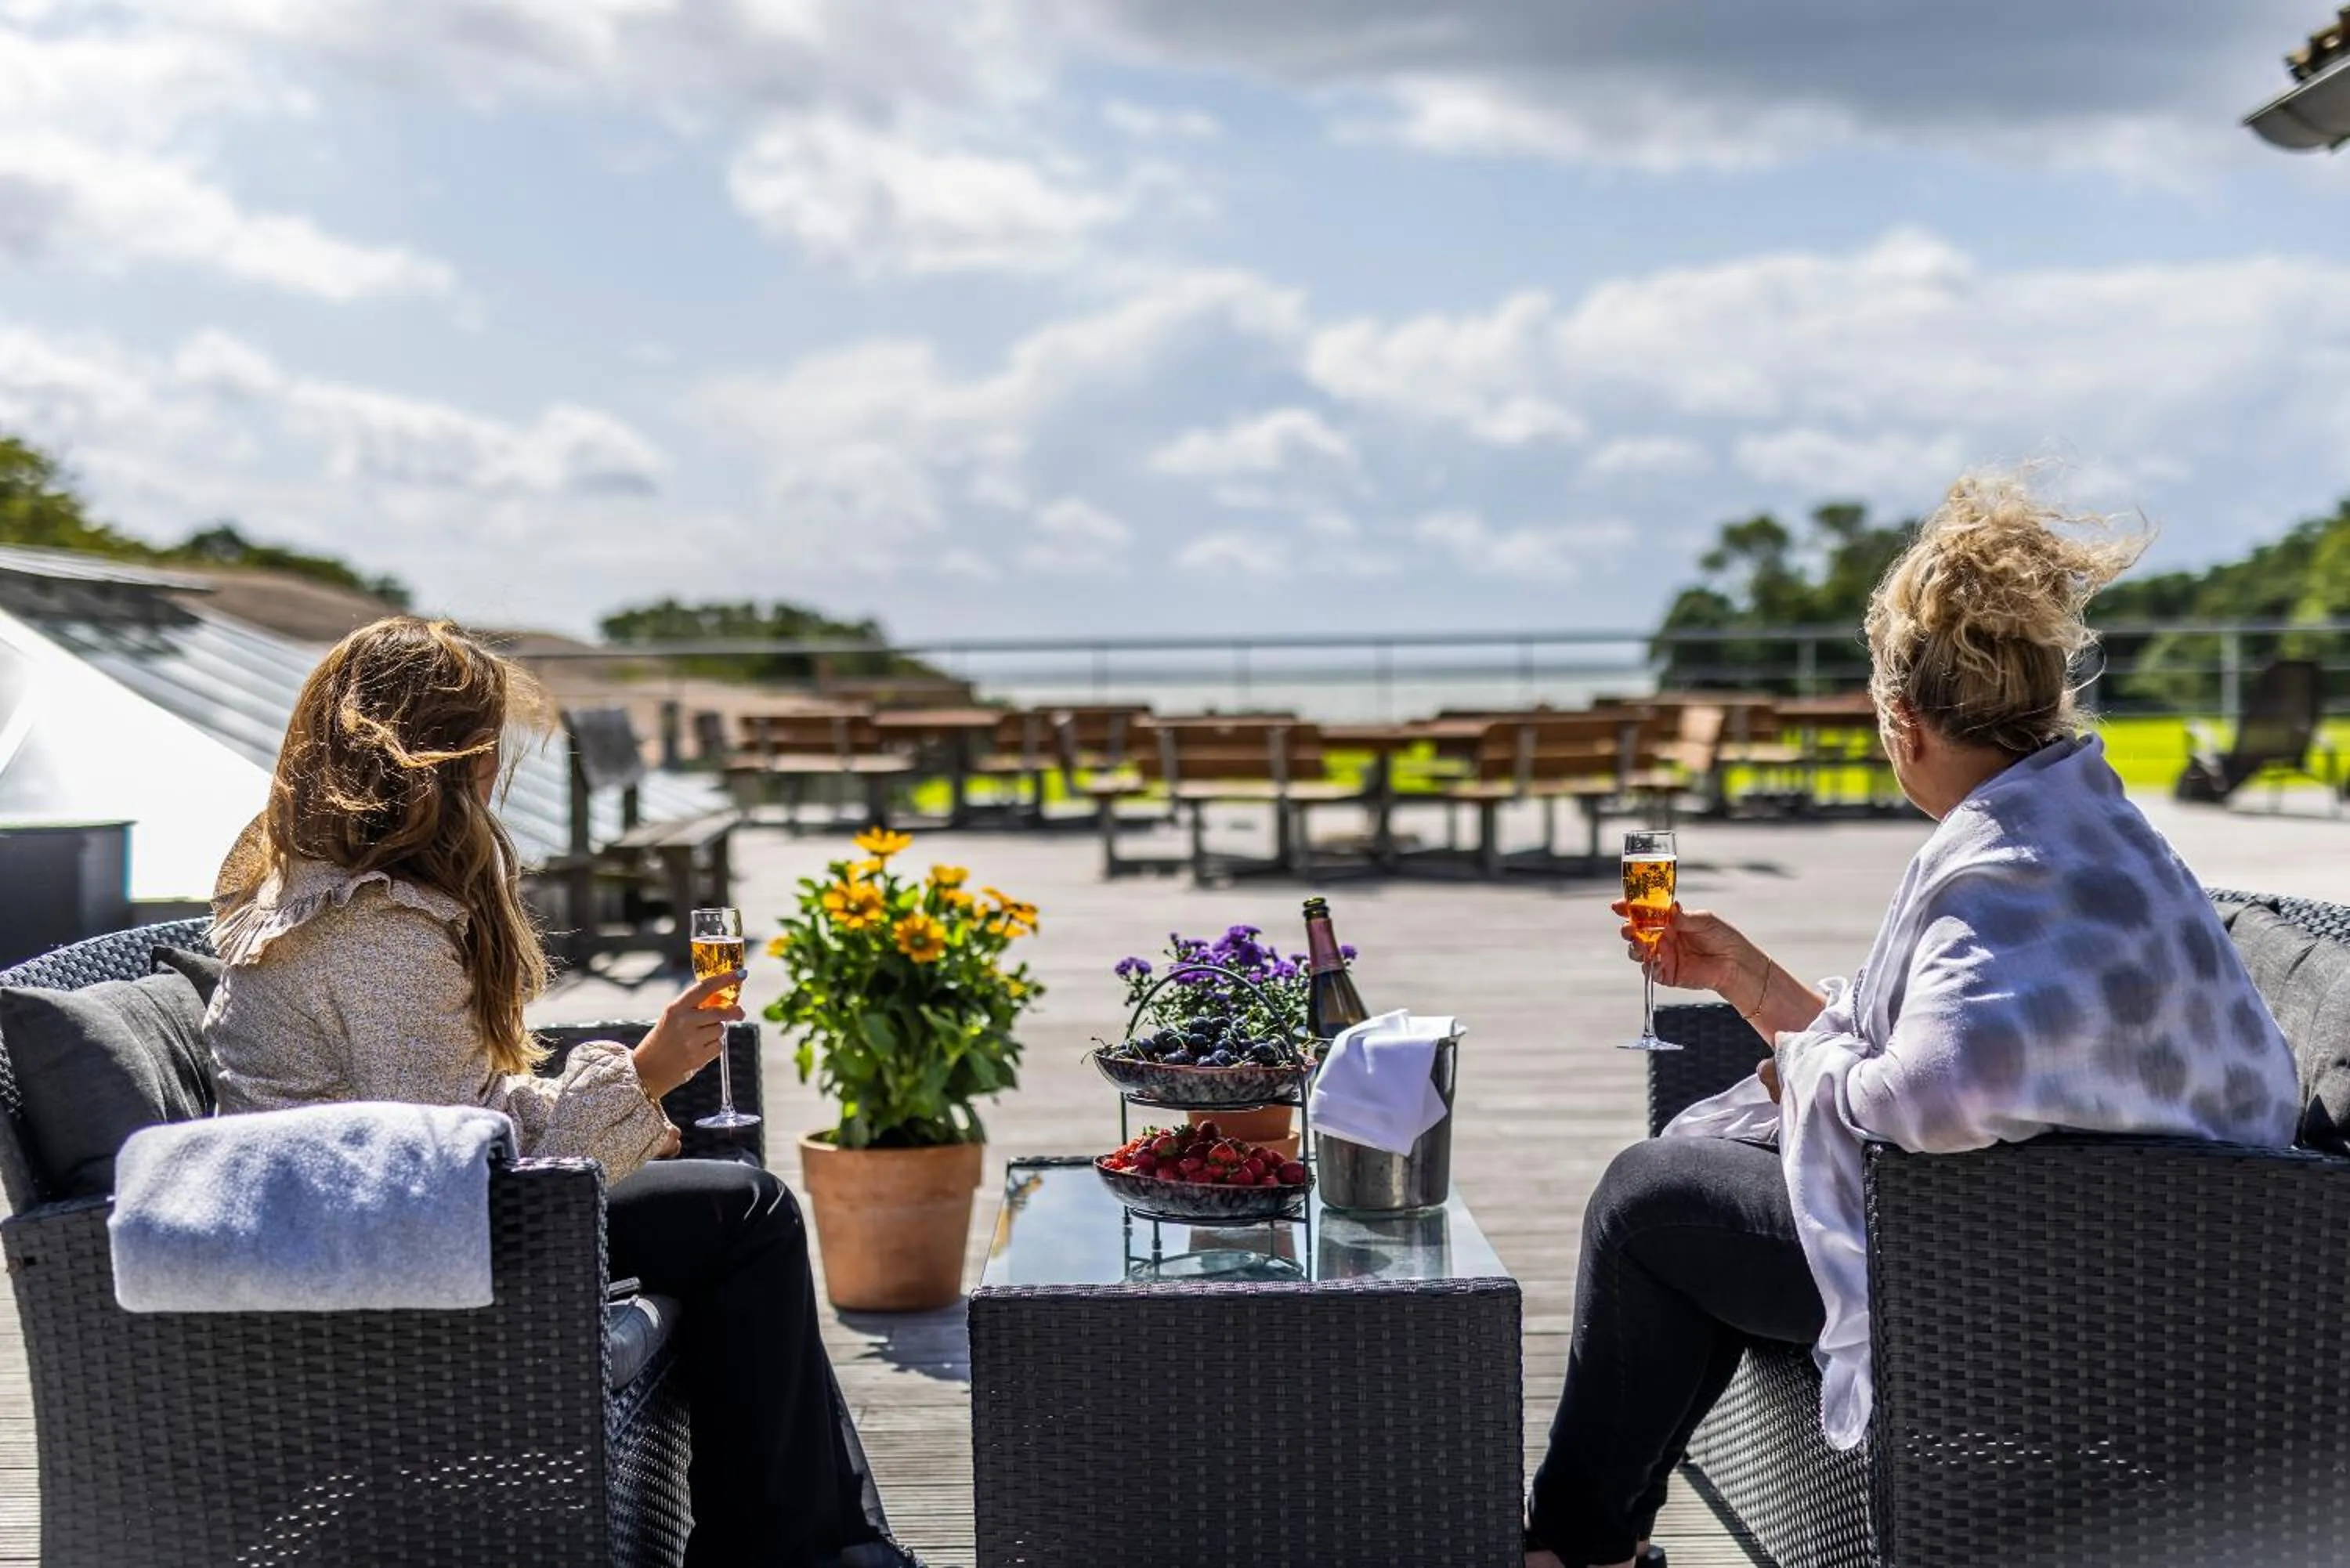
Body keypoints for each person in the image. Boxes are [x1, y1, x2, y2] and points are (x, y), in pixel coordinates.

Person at [1524, 474, 2302, 1568]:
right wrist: (1752, 980)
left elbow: (1934, 1091)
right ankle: (1596, 1541)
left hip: (2010, 1282)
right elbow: (1950, 1054)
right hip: (2153, 1259)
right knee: (1693, 1202)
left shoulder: (2005, 869)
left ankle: (1570, 1549)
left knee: (1648, 1201)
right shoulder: (2097, 833)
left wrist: (1813, 1074)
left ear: (1903, 720)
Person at [204, 616, 917, 1568]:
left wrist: (637, 1088)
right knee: (746, 1212)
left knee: (728, 1208)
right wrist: (642, 1078)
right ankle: (799, 1548)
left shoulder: (330, 891)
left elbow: (457, 1114)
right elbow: (467, 1180)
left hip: (356, 1219)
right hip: (386, 1255)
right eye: (486, 743)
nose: (496, 767)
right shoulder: (377, 933)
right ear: (442, 756)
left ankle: (817, 1542)